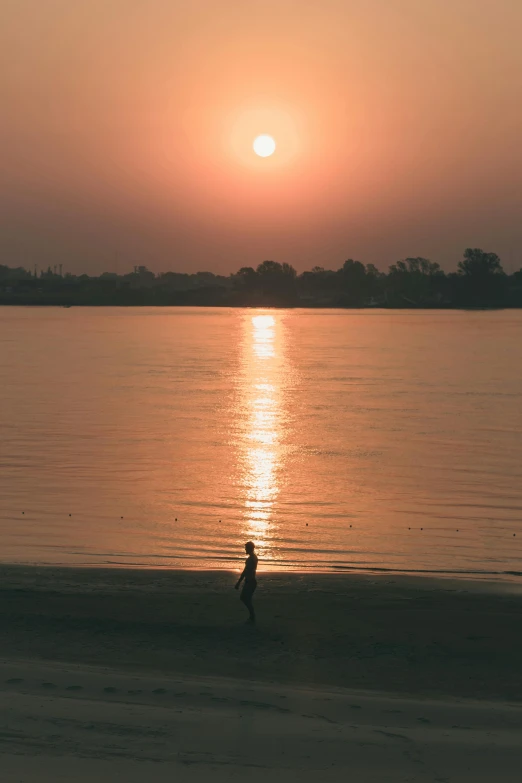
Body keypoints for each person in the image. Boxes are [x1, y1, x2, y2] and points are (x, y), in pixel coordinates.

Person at [235, 541, 258, 623]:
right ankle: (252, 616)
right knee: (247, 599)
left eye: (246, 548)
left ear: (249, 548)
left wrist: (238, 582)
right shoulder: (254, 557)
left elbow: (245, 571)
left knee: (244, 598)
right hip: (251, 581)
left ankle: (252, 616)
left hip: (250, 581)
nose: (245, 549)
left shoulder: (251, 559)